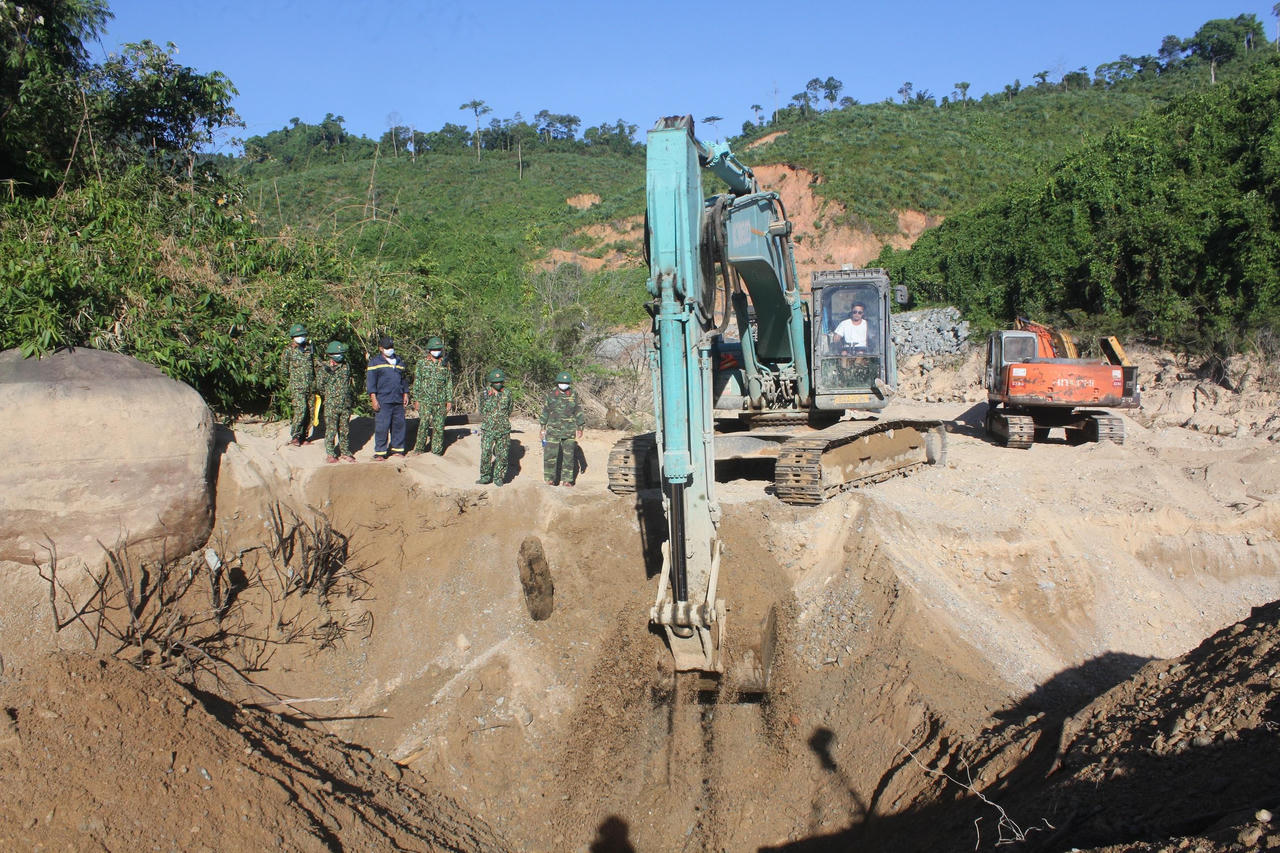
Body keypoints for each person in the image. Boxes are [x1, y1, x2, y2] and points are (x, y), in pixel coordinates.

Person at [365, 335, 408, 460]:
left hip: (397, 399)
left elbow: (404, 380)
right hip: (383, 400)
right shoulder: (375, 362)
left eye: (391, 347)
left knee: (399, 425)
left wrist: (406, 393)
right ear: (381, 348)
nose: (390, 349)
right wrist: (373, 398)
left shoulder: (399, 362)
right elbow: (371, 382)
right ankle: (380, 452)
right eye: (387, 347)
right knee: (382, 426)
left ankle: (397, 450)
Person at [540, 371, 585, 486]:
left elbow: (578, 411)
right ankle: (549, 479)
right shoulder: (551, 394)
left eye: (565, 382)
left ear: (569, 383)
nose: (563, 384)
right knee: (550, 455)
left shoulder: (573, 394)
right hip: (553, 430)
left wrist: (580, 427)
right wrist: (542, 427)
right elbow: (545, 411)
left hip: (569, 430)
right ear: (557, 383)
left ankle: (567, 480)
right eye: (561, 382)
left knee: (569, 457)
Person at [411, 335, 453, 456]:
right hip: (425, 400)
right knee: (423, 424)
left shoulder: (445, 364)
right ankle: (419, 449)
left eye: (439, 349)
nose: (437, 351)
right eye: (434, 349)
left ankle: (436, 451)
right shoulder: (422, 363)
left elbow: (448, 383)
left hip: (440, 401)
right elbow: (417, 381)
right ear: (429, 350)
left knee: (439, 427)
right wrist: (416, 399)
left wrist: (449, 400)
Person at [318, 341, 356, 463]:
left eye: (341, 353)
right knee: (331, 430)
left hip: (345, 404)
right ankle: (330, 453)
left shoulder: (346, 366)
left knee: (344, 430)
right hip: (331, 404)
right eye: (337, 354)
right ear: (330, 354)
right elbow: (320, 386)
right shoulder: (324, 368)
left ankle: (345, 452)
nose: (340, 356)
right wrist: (330, 396)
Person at [281, 323, 316, 446]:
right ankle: (295, 436)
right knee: (301, 410)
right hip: (297, 387)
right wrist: (293, 381)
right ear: (293, 337)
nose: (301, 337)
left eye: (303, 335)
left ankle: (304, 436)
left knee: (310, 412)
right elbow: (284, 370)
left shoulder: (309, 349)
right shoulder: (288, 351)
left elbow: (315, 365)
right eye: (298, 335)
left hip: (310, 386)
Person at [476, 368, 513, 486]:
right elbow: (481, 409)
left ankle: (499, 477)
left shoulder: (507, 393)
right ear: (491, 382)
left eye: (500, 381)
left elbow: (509, 409)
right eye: (496, 382)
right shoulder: (484, 393)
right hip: (488, 429)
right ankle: (485, 476)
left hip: (503, 429)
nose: (498, 384)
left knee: (502, 454)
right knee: (486, 452)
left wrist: (501, 419)